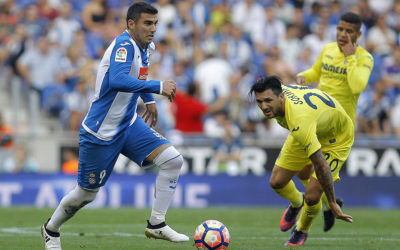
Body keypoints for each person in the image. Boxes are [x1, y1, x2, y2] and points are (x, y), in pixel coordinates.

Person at [41, 3, 189, 249]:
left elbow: (139, 74)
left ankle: (157, 224)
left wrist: (149, 100)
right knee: (86, 195)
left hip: (128, 122)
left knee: (173, 160)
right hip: (101, 131)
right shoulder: (123, 45)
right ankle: (51, 230)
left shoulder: (146, 46)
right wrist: (157, 87)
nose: (153, 29)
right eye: (147, 23)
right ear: (131, 24)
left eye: (155, 23)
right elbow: (118, 79)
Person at [249, 76, 353, 246]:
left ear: (281, 97)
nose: (264, 106)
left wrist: (333, 203)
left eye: (268, 100)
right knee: (277, 182)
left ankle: (301, 230)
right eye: (259, 101)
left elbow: (321, 165)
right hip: (312, 127)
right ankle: (297, 202)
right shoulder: (280, 94)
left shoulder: (299, 120)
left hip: (336, 138)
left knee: (312, 197)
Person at [296, 12, 374, 232]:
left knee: (317, 176)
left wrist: (350, 57)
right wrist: (304, 75)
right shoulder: (328, 49)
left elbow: (357, 86)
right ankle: (329, 206)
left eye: (349, 31)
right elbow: (316, 72)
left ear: (358, 34)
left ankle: (324, 207)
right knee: (302, 171)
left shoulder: (364, 58)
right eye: (340, 29)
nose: (343, 34)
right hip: (318, 118)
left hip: (339, 128)